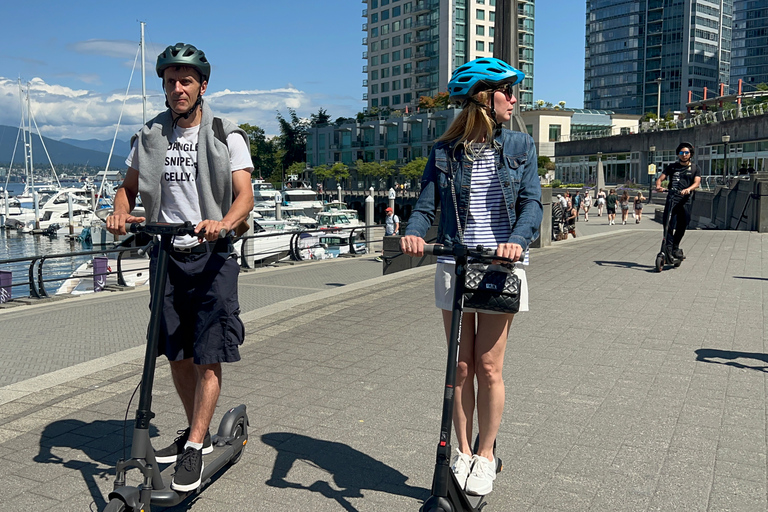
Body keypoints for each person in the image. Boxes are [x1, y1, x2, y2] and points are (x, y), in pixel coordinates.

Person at [105, 42, 254, 492]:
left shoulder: (226, 133)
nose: (177, 89)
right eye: (170, 82)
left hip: (213, 257)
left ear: (202, 85)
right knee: (176, 353)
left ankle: (194, 444)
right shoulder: (150, 135)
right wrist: (118, 212)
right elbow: (127, 189)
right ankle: (198, 432)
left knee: (208, 353)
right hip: (166, 257)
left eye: (186, 80)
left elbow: (244, 196)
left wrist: (223, 223)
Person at [400, 57, 542, 496]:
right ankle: (461, 450)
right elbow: (425, 206)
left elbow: (533, 204)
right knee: (459, 367)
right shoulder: (444, 152)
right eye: (507, 91)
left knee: (488, 366)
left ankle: (486, 454)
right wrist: (412, 233)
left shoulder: (520, 144)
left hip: (500, 264)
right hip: (455, 262)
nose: (514, 99)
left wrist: (517, 239)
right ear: (484, 97)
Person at [655, 142, 701, 261]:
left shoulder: (695, 168)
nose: (684, 155)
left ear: (690, 154)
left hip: (685, 201)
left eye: (686, 153)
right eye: (681, 153)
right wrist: (658, 186)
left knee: (682, 225)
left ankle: (675, 247)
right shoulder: (672, 167)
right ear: (678, 154)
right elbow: (660, 178)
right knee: (668, 224)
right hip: (672, 199)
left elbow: (696, 183)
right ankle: (668, 249)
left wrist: (688, 189)